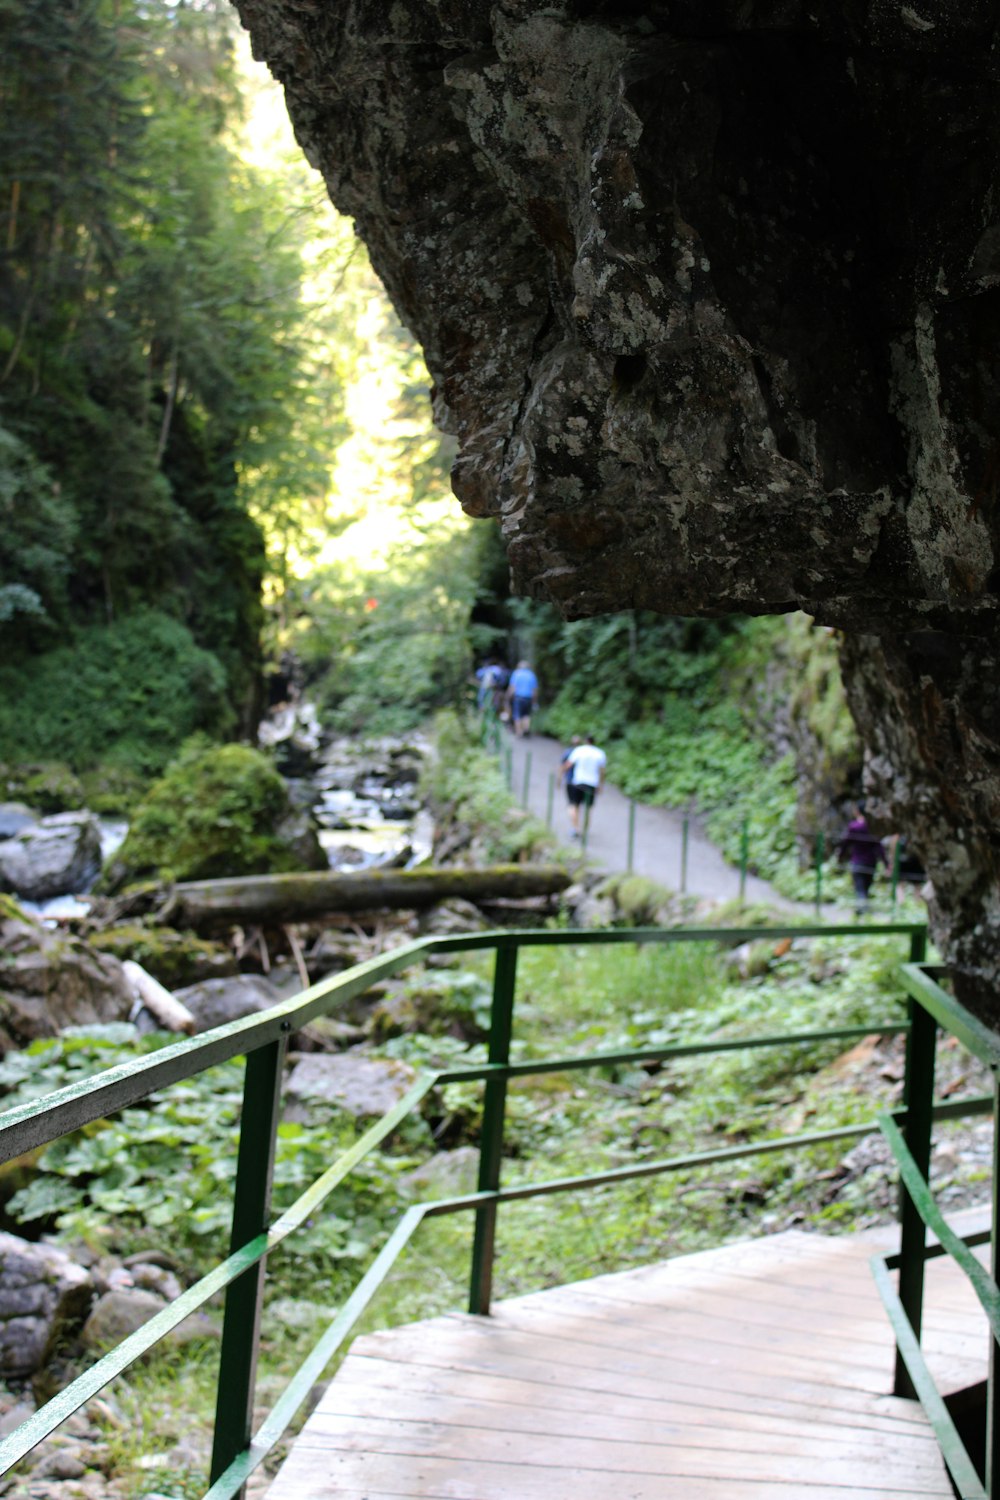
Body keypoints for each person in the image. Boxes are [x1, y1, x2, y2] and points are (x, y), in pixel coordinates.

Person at [836, 799, 887, 916]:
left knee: (859, 888)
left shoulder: (854, 827)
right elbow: (879, 847)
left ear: (858, 811)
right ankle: (863, 911)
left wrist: (840, 856)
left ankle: (862, 912)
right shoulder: (872, 827)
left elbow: (845, 843)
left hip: (857, 861)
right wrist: (886, 863)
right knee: (866, 887)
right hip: (871, 862)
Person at [561, 734, 607, 838]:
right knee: (588, 808)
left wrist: (561, 775)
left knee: (574, 805)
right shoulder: (600, 753)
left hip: (578, 782)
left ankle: (575, 828)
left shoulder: (579, 750)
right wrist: (601, 785)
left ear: (585, 741)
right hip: (592, 784)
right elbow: (602, 772)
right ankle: (584, 830)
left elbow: (568, 764)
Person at [506, 660, 538, 737]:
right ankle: (526, 729)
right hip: (528, 698)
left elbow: (512, 687)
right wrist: (534, 701)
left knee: (517, 715)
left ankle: (519, 732)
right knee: (526, 715)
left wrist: (508, 697)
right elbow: (534, 690)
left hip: (518, 698)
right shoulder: (531, 675)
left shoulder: (516, 674)